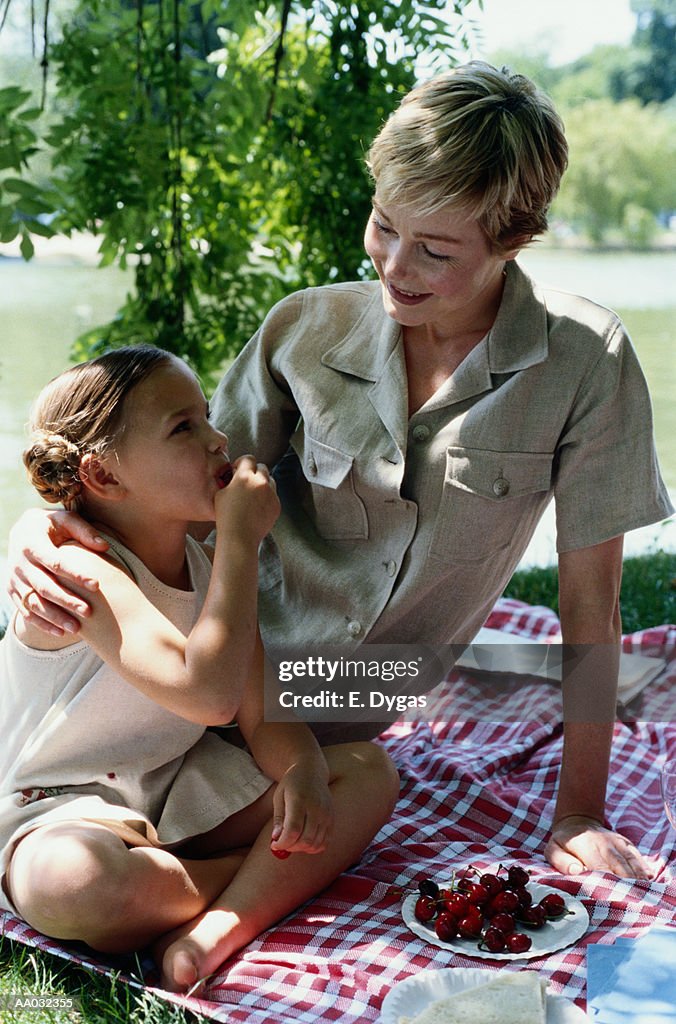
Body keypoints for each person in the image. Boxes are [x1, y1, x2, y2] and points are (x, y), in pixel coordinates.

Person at [7, 63, 673, 878]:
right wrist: (41, 526)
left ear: (515, 236)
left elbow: (590, 601)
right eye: (383, 224)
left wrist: (577, 813)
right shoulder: (305, 330)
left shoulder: (585, 362)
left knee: (128, 852)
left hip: (339, 702)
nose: (395, 265)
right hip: (196, 664)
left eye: (433, 248)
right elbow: (170, 485)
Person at [0, 346, 399, 993]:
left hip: (174, 790)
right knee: (75, 884)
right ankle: (255, 878)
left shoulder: (205, 567)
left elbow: (258, 707)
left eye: (207, 416)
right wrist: (242, 540)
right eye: (184, 428)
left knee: (368, 772)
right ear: (103, 476)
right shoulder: (82, 569)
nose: (218, 440)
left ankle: (208, 935)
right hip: (58, 807)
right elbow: (207, 696)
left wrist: (300, 772)